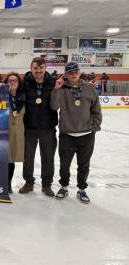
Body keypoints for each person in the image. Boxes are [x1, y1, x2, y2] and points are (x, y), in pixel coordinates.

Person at [51, 62, 102, 203]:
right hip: (67, 135)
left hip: (86, 135)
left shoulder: (89, 88)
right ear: (66, 74)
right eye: (70, 72)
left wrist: (94, 128)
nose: (73, 74)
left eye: (75, 71)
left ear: (79, 72)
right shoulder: (62, 89)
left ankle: (81, 189)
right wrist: (56, 89)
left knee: (84, 165)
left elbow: (96, 110)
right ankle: (64, 186)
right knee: (64, 164)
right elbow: (54, 106)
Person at [19, 57, 58, 197]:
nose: (38, 71)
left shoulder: (53, 82)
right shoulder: (24, 83)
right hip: (29, 128)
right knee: (27, 157)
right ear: (31, 69)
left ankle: (46, 184)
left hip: (48, 127)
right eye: (35, 68)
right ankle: (29, 182)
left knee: (48, 157)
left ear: (45, 68)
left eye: (41, 68)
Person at [4, 72, 25, 194]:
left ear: (18, 83)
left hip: (17, 132)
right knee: (2, 158)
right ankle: (1, 182)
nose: (12, 82)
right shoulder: (1, 95)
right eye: (9, 80)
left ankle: (8, 183)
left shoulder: (23, 97)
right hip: (3, 130)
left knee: (11, 159)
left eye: (14, 80)